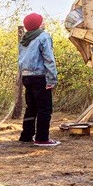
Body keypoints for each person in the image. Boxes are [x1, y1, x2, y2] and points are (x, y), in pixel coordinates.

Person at [18, 13, 60, 147]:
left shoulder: (24, 38)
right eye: (42, 21)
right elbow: (48, 58)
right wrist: (52, 79)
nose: (44, 23)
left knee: (31, 107)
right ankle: (42, 138)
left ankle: (26, 135)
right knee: (44, 108)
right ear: (38, 24)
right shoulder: (43, 36)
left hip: (26, 76)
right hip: (40, 76)